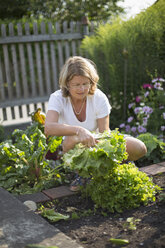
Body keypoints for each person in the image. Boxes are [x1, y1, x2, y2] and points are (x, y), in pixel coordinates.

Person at [45, 56, 147, 191]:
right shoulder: (57, 98)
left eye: (85, 84)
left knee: (139, 147)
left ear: (91, 82)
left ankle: (116, 165)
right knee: (71, 139)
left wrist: (95, 143)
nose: (81, 89)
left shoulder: (98, 97)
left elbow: (104, 132)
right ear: (67, 84)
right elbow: (49, 128)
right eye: (76, 84)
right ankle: (81, 174)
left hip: (98, 140)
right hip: (73, 147)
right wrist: (79, 131)